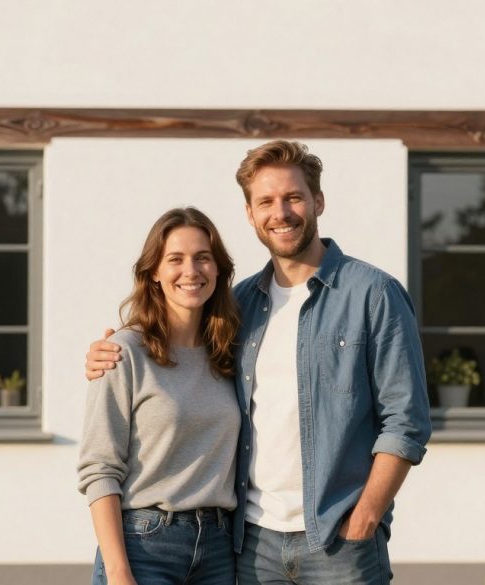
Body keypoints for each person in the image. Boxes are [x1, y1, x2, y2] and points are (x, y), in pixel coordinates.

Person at [85, 141, 432, 584]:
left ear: (317, 201)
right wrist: (111, 352)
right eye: (265, 201)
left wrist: (365, 517)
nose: (280, 213)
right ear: (250, 214)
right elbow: (170, 335)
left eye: (293, 197)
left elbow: (406, 420)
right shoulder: (240, 306)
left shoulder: (373, 294)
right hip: (251, 546)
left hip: (337, 541)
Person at [77, 207, 242, 585]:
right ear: (154, 271)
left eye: (203, 258)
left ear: (218, 269)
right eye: (175, 259)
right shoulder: (124, 352)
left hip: (219, 548)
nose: (191, 271)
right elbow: (99, 468)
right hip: (144, 544)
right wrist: (119, 572)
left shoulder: (231, 352)